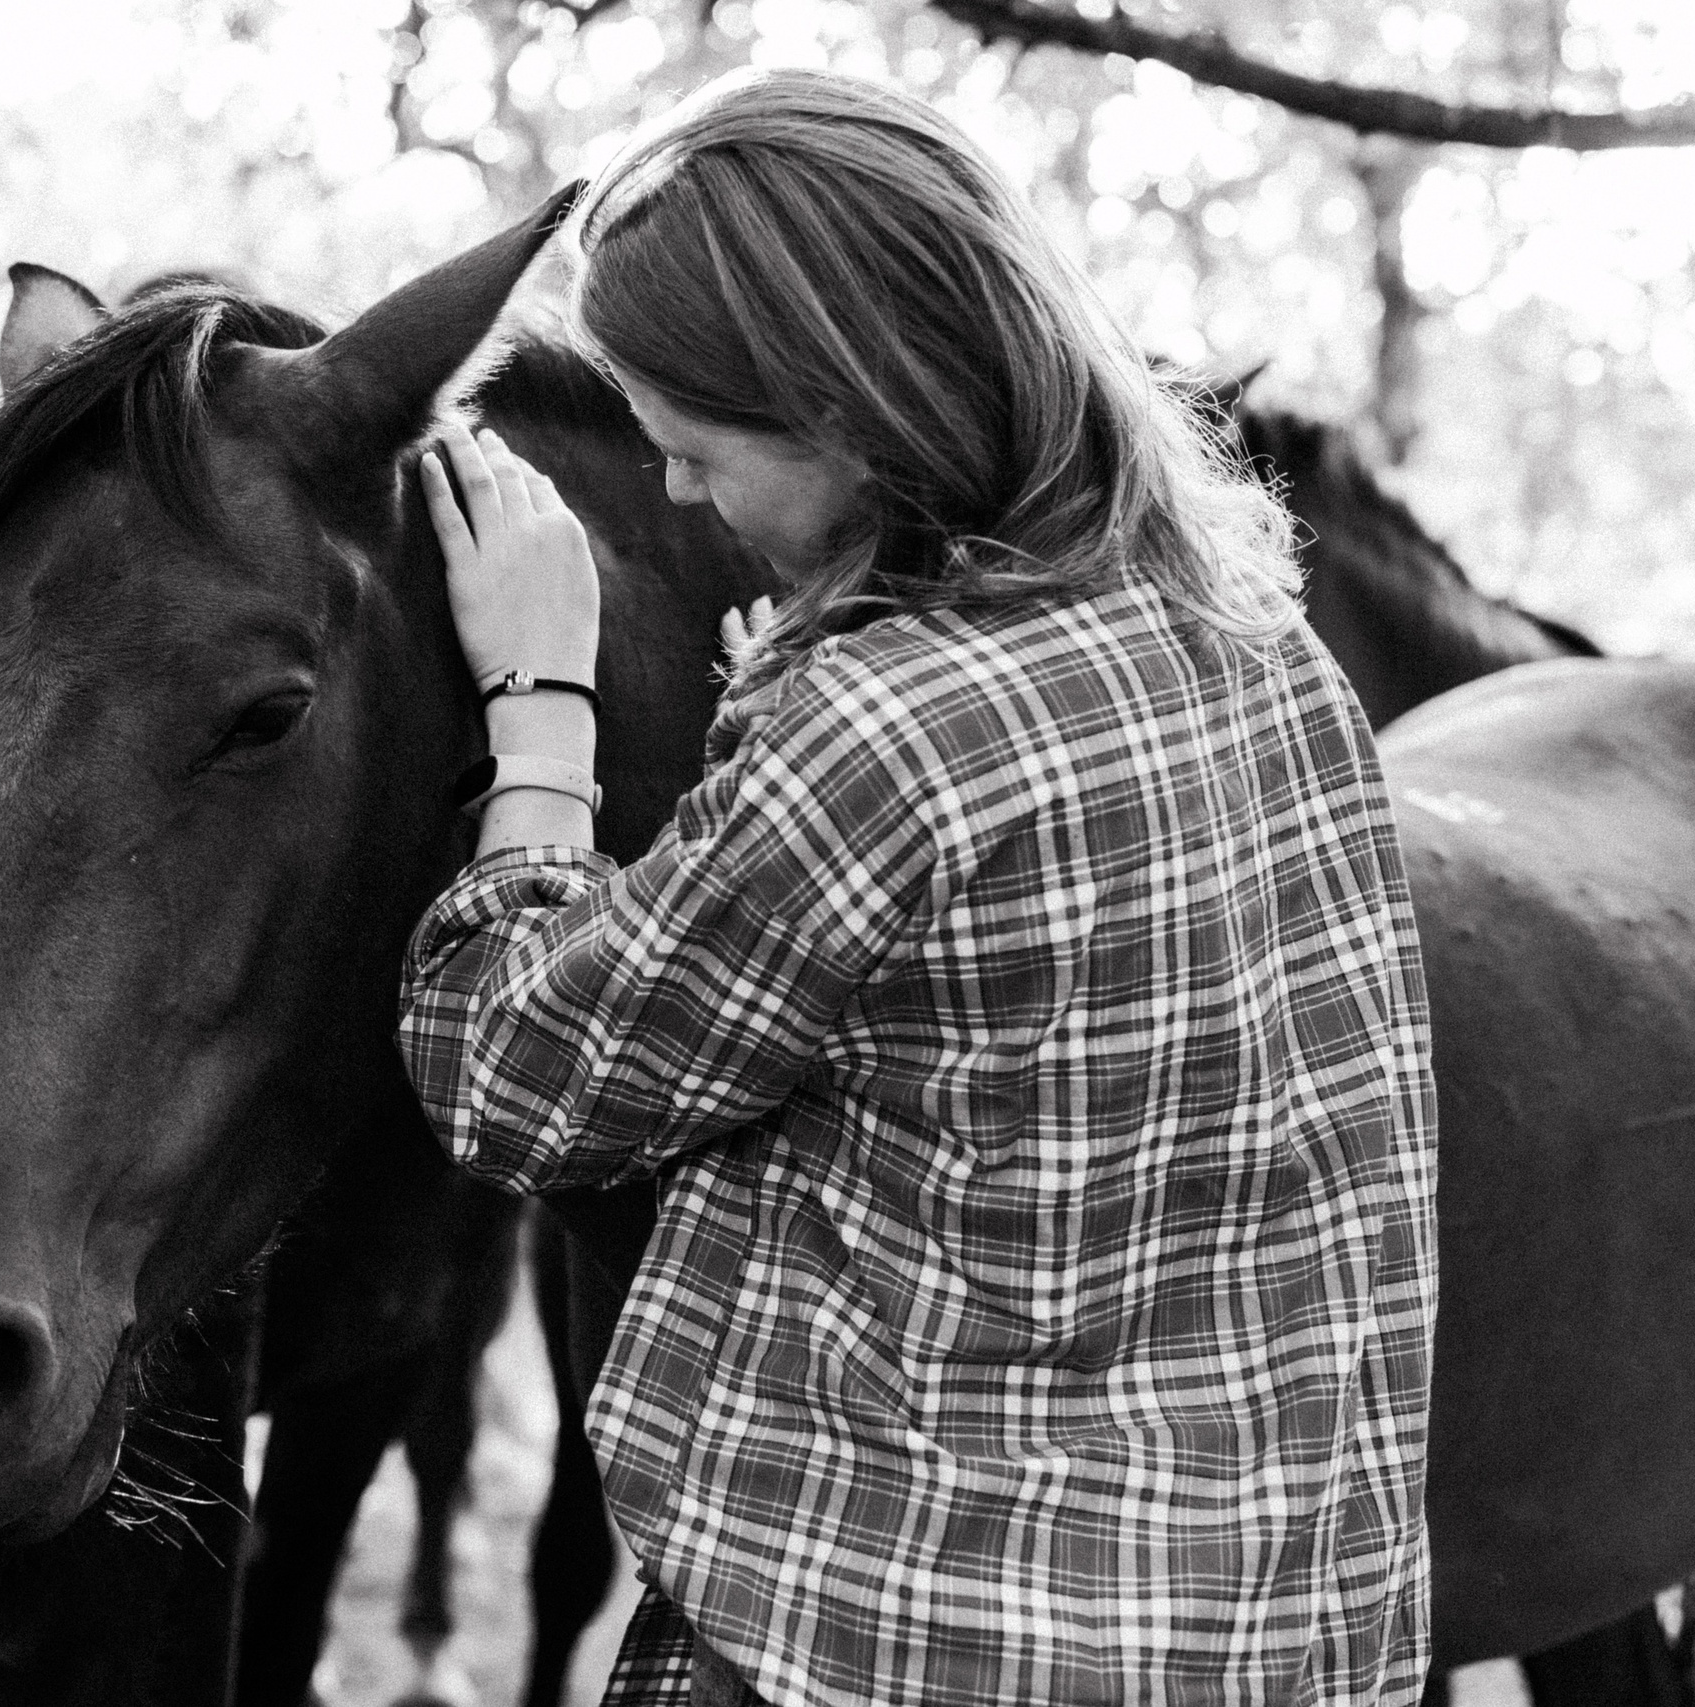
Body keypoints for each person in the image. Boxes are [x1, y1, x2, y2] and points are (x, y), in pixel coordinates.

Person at [399, 70, 1437, 1706]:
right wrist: (800, 707)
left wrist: (539, 708)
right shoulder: (1259, 645)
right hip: (1248, 1627)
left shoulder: (881, 737)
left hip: (887, 1635)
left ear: (849, 413)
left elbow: (517, 1080)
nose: (671, 491)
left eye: (693, 446)